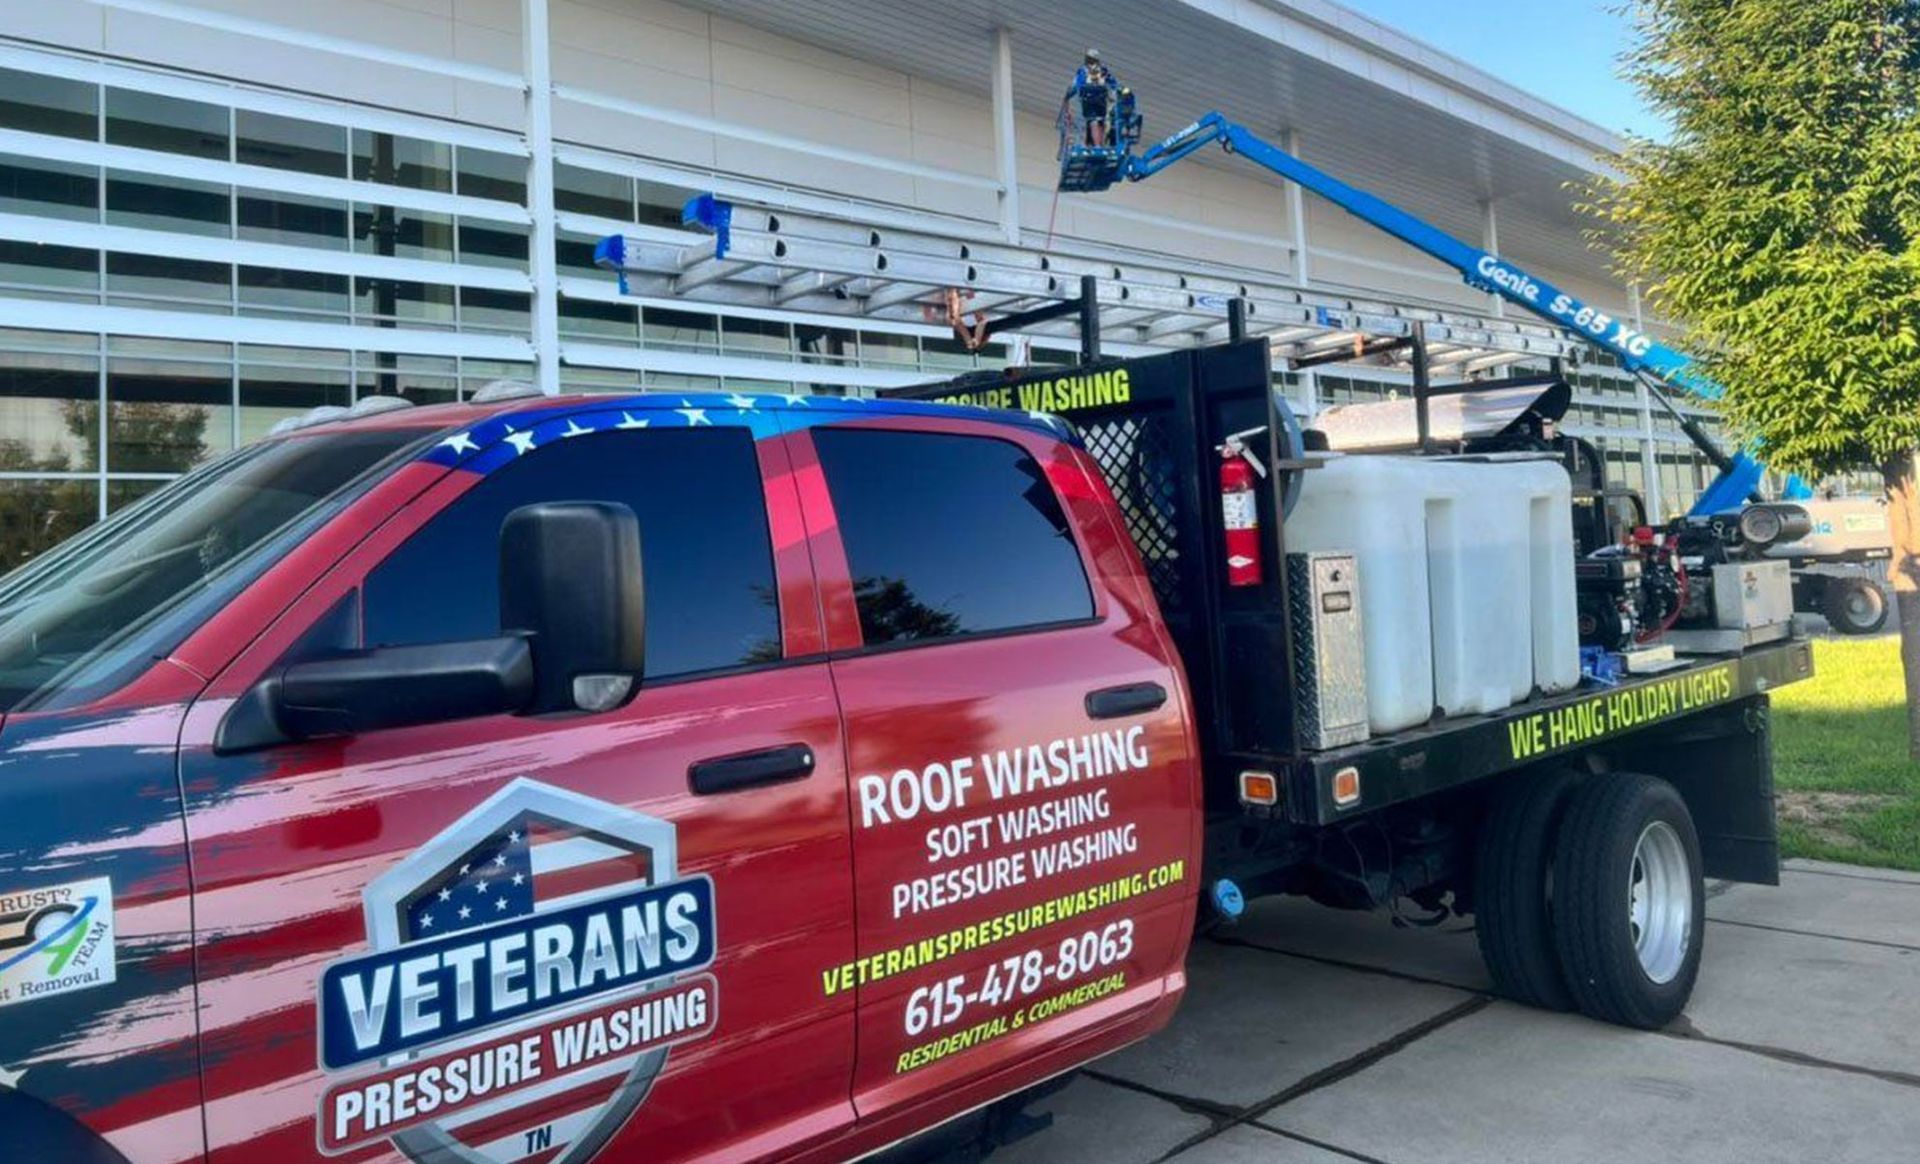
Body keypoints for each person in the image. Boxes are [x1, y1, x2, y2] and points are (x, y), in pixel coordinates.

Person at [1073, 50, 1119, 147]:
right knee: (1098, 121)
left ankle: (1096, 145)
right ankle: (1098, 144)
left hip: (1090, 99)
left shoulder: (1083, 70)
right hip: (1098, 98)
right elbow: (1113, 83)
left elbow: (1077, 84)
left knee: (1093, 120)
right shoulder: (1102, 70)